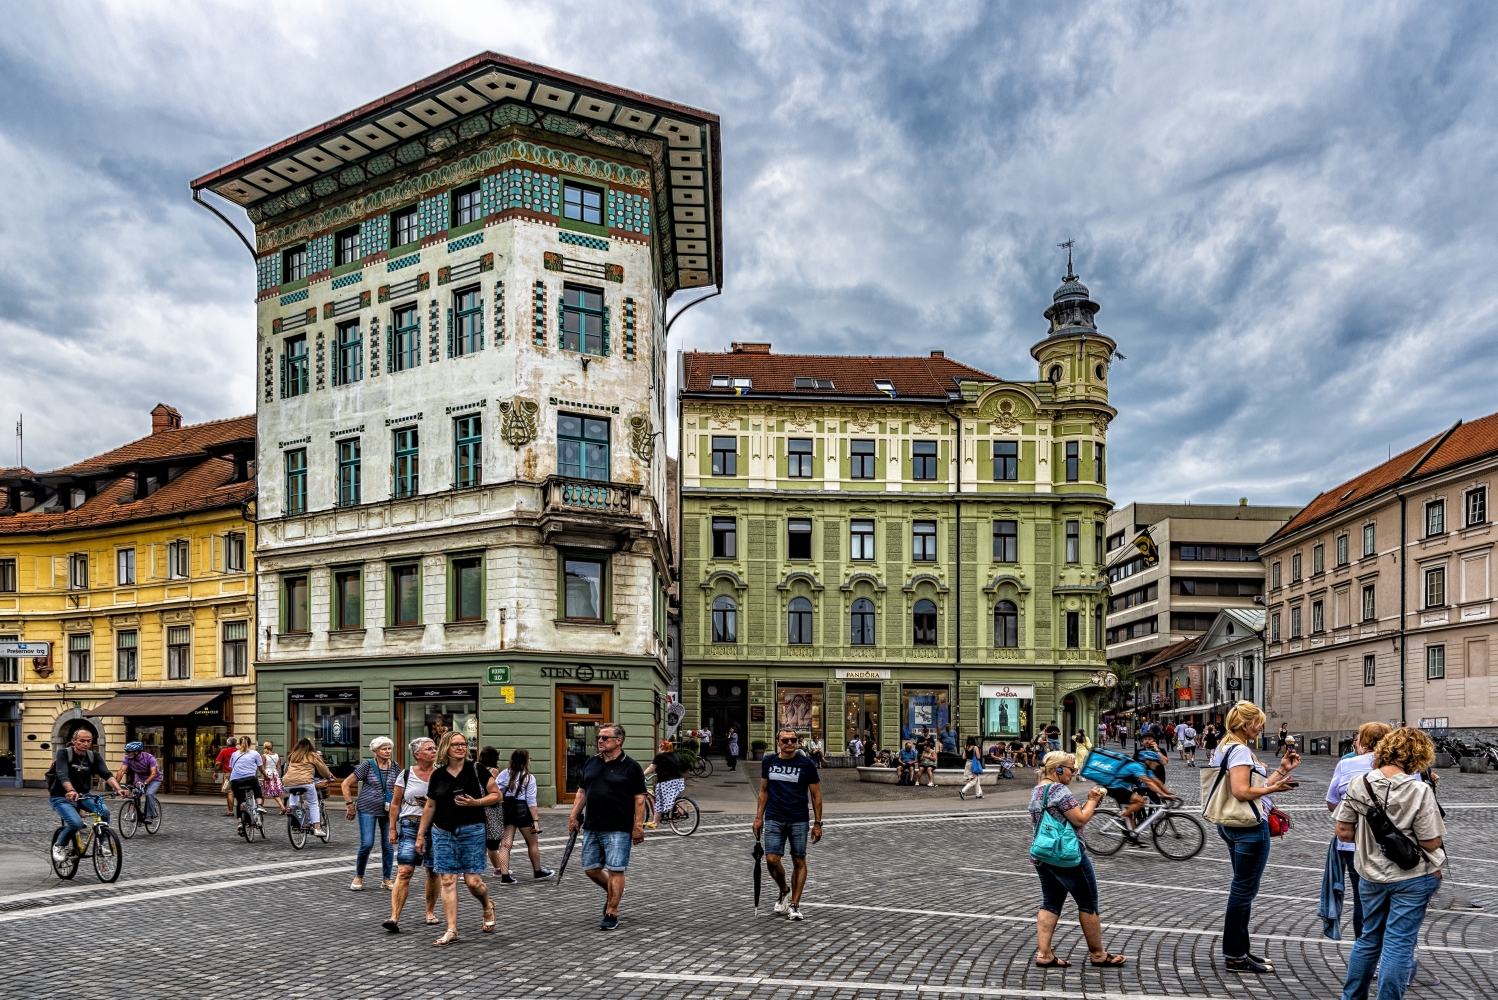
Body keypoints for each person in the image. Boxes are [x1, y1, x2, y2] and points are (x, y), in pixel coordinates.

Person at [1334, 727, 1445, 1000]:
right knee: (1399, 943)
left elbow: (1344, 832)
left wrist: (1374, 842)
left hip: (1370, 874)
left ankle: (1352, 997)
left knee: (1368, 938)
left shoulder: (1361, 783)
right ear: (1418, 756)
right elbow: (1431, 843)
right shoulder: (1419, 790)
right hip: (1413, 876)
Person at [1209, 701, 1301, 974]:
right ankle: (1235, 955)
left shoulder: (1225, 747)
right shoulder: (1239, 751)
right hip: (1249, 827)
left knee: (1243, 889)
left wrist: (1282, 771)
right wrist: (1276, 789)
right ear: (1244, 725)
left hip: (1232, 823)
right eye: (1258, 723)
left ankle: (1241, 948)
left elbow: (1253, 785)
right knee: (1243, 891)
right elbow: (1242, 791)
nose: (1261, 728)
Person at [1030, 751, 1125, 968]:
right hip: (1068, 856)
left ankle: (1044, 954)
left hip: (1044, 854)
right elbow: (1080, 819)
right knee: (1088, 903)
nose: (1074, 773)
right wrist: (1092, 800)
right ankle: (1098, 954)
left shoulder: (1037, 790)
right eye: (1072, 769)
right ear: (1058, 769)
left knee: (1050, 903)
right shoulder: (1060, 790)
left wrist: (1090, 805)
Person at [416, 731, 498, 946]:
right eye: (456, 744)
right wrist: (420, 835)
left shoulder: (477, 770)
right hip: (442, 831)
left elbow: (496, 795)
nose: (461, 747)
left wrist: (476, 803)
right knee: (448, 879)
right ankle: (451, 929)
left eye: (463, 744)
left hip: (472, 830)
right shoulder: (438, 774)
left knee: (473, 882)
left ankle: (487, 905)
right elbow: (430, 806)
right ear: (446, 748)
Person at [568, 722, 647, 931]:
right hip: (593, 825)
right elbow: (582, 792)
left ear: (618, 741)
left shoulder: (631, 767)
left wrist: (638, 826)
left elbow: (640, 798)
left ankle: (612, 911)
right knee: (591, 868)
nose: (600, 741)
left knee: (615, 869)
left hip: (618, 827)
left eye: (605, 738)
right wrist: (574, 816)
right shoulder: (591, 762)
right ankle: (613, 893)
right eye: (599, 738)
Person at [1325, 722, 1394, 940]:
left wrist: (1352, 816)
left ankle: (1365, 955)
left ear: (1362, 741)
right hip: (1394, 843)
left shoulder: (1347, 765)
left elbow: (1332, 801)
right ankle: (1393, 955)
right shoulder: (1402, 766)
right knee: (1396, 900)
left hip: (1353, 842)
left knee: (1361, 899)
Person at [754, 727, 823, 921]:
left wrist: (818, 823)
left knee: (799, 860)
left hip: (798, 819)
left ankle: (794, 904)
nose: (790, 744)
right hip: (774, 817)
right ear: (778, 743)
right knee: (771, 860)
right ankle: (784, 890)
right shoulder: (769, 761)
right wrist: (758, 817)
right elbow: (763, 791)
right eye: (785, 740)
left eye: (793, 740)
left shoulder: (807, 764)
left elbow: (816, 795)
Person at [384, 737, 441, 933]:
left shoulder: (441, 774)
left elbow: (451, 801)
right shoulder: (406, 774)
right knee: (404, 871)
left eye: (434, 748)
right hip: (410, 825)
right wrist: (392, 828)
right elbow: (395, 803)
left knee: (433, 871)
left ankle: (430, 912)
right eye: (428, 749)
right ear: (417, 754)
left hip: (436, 827)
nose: (434, 751)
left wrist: (432, 806)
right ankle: (394, 917)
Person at [48, 727, 124, 863]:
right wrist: (70, 790)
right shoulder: (63, 753)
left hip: (84, 795)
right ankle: (59, 846)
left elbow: (106, 774)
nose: (86, 744)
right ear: (73, 741)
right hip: (61, 796)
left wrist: (119, 789)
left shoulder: (93, 756)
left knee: (104, 812)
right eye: (82, 741)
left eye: (89, 741)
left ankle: (101, 845)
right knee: (76, 823)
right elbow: (62, 774)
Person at [344, 736, 399, 891]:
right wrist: (349, 805)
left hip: (388, 810)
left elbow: (399, 787)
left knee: (388, 845)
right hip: (367, 808)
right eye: (384, 749)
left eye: (389, 748)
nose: (388, 751)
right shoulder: (367, 766)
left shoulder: (395, 766)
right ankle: (359, 876)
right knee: (367, 843)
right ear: (375, 751)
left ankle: (386, 879)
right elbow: (345, 784)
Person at [493, 748, 552, 883]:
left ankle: (505, 876)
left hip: (508, 811)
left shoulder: (503, 774)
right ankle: (538, 871)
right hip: (523, 811)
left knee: (505, 844)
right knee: (532, 843)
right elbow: (531, 801)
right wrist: (535, 821)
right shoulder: (529, 778)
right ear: (526, 761)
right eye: (529, 758)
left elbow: (496, 791)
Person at [281, 737, 334, 838]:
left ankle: (293, 813)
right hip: (306, 782)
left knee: (293, 793)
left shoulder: (292, 755)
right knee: (313, 803)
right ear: (310, 746)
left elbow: (286, 770)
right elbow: (323, 769)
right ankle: (317, 828)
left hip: (287, 783)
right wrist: (328, 777)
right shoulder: (312, 755)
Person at [644, 739, 685, 832]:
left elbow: (651, 767)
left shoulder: (660, 756)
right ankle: (672, 811)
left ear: (662, 748)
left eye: (659, 747)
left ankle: (655, 822)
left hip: (666, 782)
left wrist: (642, 774)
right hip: (679, 781)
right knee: (668, 799)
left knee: (659, 801)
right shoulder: (675, 756)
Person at [227, 736, 264, 835]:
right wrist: (267, 776)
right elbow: (261, 769)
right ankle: (259, 805)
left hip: (235, 781)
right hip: (249, 779)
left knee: (240, 801)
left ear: (239, 744)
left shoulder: (235, 754)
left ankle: (240, 823)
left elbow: (231, 767)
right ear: (250, 744)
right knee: (257, 789)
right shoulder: (255, 754)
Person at [115, 741, 160, 822]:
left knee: (149, 794)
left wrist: (145, 783)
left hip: (154, 779)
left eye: (129, 752)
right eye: (126, 752)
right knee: (135, 794)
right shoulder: (127, 758)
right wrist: (116, 785)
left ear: (136, 752)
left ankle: (150, 816)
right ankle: (135, 814)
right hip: (139, 779)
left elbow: (154, 773)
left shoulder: (150, 758)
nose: (127, 753)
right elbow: (121, 771)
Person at [213, 737, 238, 816]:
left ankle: (230, 811)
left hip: (228, 774)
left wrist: (215, 772)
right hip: (239, 774)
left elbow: (218, 763)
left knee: (229, 792)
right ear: (235, 744)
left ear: (227, 744)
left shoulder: (224, 751)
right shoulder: (239, 751)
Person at [260, 741, 286, 812]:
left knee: (264, 791)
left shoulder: (264, 756)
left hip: (267, 774)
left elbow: (263, 768)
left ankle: (282, 806)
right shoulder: (277, 755)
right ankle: (261, 806)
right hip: (275, 774)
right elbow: (279, 767)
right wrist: (279, 776)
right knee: (272, 791)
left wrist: (262, 777)